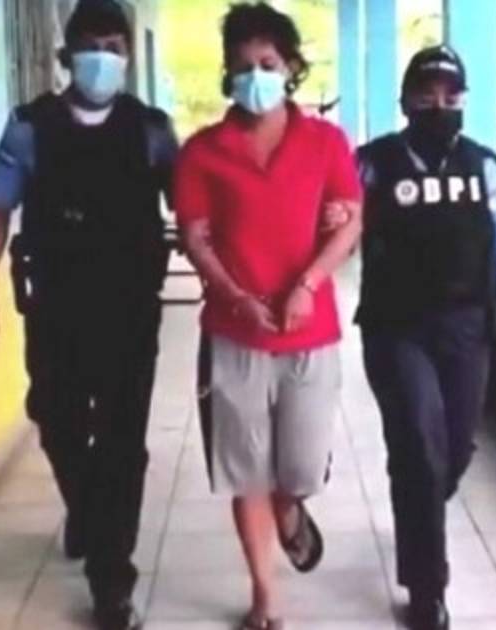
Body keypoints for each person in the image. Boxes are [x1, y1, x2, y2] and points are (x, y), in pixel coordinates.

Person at [0, 1, 177, 627]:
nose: (102, 57)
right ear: (66, 55)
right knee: (55, 420)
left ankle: (112, 583)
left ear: (128, 57)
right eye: (91, 45)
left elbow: (191, 208)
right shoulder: (30, 128)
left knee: (121, 443)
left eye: (115, 46)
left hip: (131, 311)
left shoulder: (152, 130)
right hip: (57, 307)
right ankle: (87, 510)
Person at [171, 4, 363, 628]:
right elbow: (195, 237)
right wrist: (234, 296)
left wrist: (308, 283)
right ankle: (265, 597)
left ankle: (291, 506)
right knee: (247, 472)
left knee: (299, 469)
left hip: (311, 333)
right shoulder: (203, 152)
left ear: (291, 67)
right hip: (236, 336)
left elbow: (351, 219)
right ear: (227, 74)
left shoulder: (326, 142)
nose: (255, 75)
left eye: (268, 63)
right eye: (242, 66)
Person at [350, 45, 496, 630]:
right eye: (425, 95)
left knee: (452, 452)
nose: (438, 105)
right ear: (405, 101)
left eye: (449, 96)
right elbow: (331, 223)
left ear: (463, 101)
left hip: (466, 329)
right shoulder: (373, 165)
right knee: (419, 443)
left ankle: (417, 504)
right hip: (395, 329)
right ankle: (426, 589)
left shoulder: (483, 169)